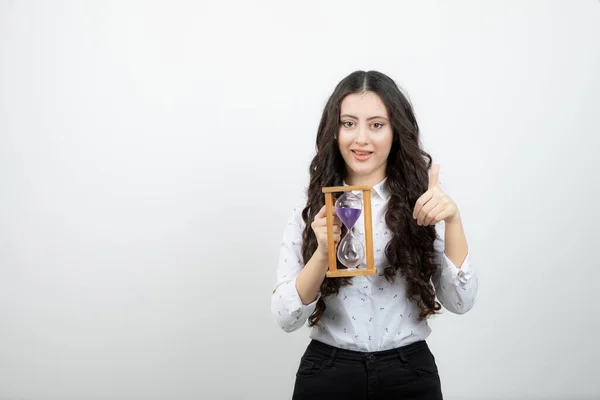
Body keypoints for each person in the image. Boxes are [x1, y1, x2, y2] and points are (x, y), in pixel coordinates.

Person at [270, 70, 479, 399]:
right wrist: (323, 254)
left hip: (408, 371)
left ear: (396, 131)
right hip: (329, 371)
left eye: (377, 125)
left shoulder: (423, 204)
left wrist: (453, 220)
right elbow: (285, 317)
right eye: (349, 123)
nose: (361, 138)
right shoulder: (311, 209)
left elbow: (460, 301)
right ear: (334, 130)